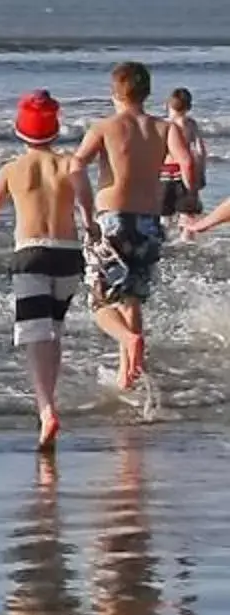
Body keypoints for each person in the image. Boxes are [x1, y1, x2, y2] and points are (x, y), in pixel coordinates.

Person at [0, 91, 90, 451]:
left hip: (29, 253)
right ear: (56, 129)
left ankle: (46, 409)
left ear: (20, 131)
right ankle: (50, 402)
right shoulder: (71, 165)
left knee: (35, 336)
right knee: (54, 331)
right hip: (67, 255)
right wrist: (93, 230)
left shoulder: (12, 170)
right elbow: (87, 207)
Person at [73, 62, 191, 392]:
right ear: (148, 92)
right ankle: (129, 373)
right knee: (132, 299)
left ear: (114, 92)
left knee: (100, 301)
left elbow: (75, 165)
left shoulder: (104, 127)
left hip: (112, 216)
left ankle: (128, 340)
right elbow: (186, 162)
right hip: (148, 221)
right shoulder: (164, 128)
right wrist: (191, 190)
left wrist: (84, 210)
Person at [161, 88, 205, 223]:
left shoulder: (164, 124)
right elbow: (200, 150)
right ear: (189, 107)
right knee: (188, 213)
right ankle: (187, 240)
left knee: (164, 214)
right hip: (186, 172)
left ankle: (165, 241)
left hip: (165, 172)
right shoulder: (191, 124)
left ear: (168, 105)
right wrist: (200, 172)